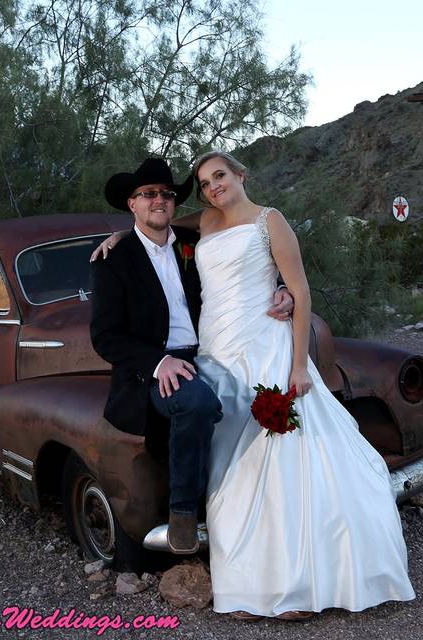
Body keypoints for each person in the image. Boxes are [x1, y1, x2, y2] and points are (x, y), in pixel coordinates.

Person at [95, 152, 416, 621]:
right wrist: (124, 235)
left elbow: (298, 289)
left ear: (241, 175)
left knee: (284, 455)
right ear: (134, 203)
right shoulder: (195, 226)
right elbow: (153, 239)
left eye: (218, 176)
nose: (212, 187)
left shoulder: (267, 220)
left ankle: (300, 579)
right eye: (204, 182)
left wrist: (296, 346)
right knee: (234, 464)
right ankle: (248, 575)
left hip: (260, 342)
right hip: (213, 354)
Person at [90, 158, 293, 555]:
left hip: (215, 349)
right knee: (198, 403)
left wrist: (282, 285)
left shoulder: (192, 245)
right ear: (132, 203)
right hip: (159, 364)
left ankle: (263, 510)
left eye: (166, 194)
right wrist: (157, 363)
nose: (159, 201)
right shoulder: (113, 259)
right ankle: (184, 513)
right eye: (148, 194)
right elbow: (105, 336)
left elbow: (245, 262)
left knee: (262, 406)